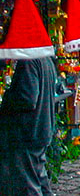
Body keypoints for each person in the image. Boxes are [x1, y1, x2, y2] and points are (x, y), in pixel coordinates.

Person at [0, 57, 57, 195]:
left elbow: (28, 98)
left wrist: (7, 98)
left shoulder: (28, 62)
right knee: (39, 178)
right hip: (41, 128)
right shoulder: (45, 59)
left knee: (28, 184)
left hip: (28, 131)